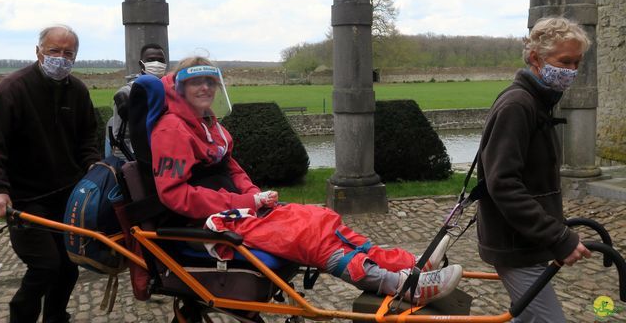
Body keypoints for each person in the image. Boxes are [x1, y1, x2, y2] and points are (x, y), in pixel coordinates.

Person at [150, 56, 463, 306]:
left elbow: (232, 169)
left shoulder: (206, 123)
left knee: (320, 217)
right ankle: (403, 286)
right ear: (180, 88)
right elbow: (175, 195)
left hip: (235, 211)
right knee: (308, 236)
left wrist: (255, 195)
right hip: (206, 223)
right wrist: (246, 202)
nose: (205, 88)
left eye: (210, 82)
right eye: (196, 83)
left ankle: (408, 262)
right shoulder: (172, 129)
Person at [476, 17, 592, 322]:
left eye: (577, 62)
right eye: (564, 61)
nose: (571, 71)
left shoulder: (539, 103)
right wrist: (558, 237)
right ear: (535, 59)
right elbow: (503, 183)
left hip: (529, 240)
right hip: (515, 243)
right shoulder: (519, 105)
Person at [0, 24, 100, 323]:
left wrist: (92, 165)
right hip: (26, 197)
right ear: (38, 52)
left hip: (68, 196)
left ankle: (55, 317)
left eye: (68, 53)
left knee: (69, 265)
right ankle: (21, 318)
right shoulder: (12, 90)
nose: (60, 58)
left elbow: (87, 136)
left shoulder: (77, 90)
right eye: (54, 51)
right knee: (45, 265)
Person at [109, 43, 167, 159]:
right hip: (134, 156)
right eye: (151, 60)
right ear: (141, 64)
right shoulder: (129, 91)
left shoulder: (170, 88)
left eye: (160, 60)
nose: (156, 64)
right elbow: (121, 135)